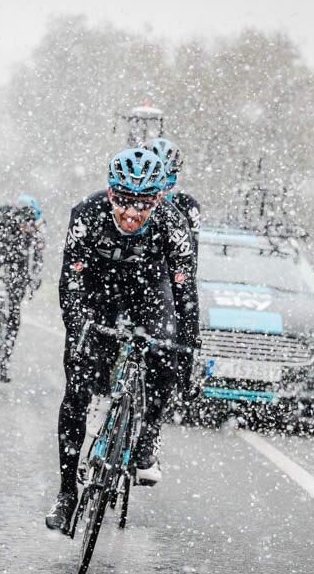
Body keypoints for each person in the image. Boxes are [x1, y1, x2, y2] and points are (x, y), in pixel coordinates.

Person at [45, 147, 200, 533]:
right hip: (98, 294)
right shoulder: (87, 214)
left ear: (158, 199)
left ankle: (146, 437)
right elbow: (70, 282)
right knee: (78, 390)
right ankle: (67, 493)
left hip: (149, 295)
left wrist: (188, 353)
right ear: (110, 194)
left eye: (142, 205)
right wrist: (78, 325)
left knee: (166, 353)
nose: (131, 214)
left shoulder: (172, 224)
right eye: (123, 202)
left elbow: (185, 296)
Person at [143, 137, 203, 411]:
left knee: (174, 334)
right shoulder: (134, 197)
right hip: (135, 274)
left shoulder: (187, 206)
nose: (163, 187)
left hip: (168, 275)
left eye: (169, 178)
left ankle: (153, 422)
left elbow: (191, 258)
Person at [0, 195, 46, 378]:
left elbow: (38, 255)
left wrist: (34, 278)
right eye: (25, 223)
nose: (27, 227)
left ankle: (5, 360)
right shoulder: (2, 216)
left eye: (31, 225)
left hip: (19, 260)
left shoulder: (37, 227)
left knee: (14, 307)